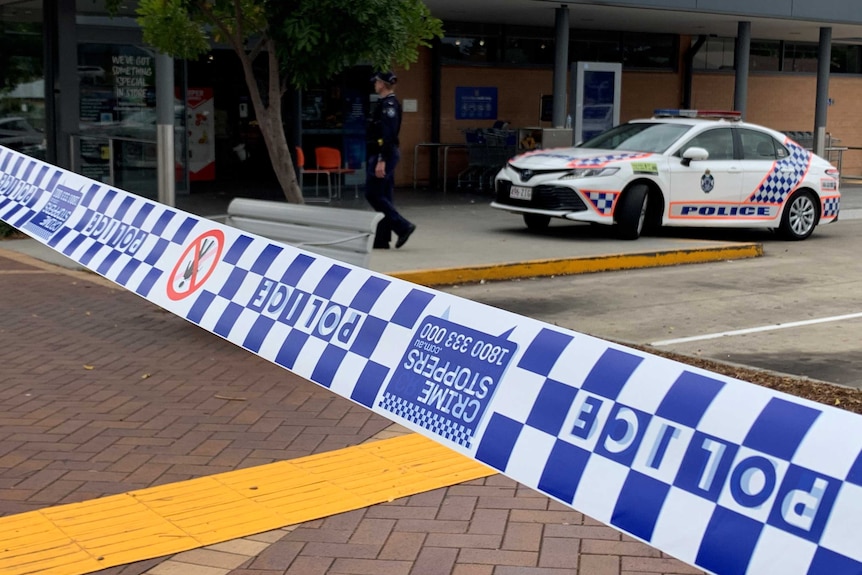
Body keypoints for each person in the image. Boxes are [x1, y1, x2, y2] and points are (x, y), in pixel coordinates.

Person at [366, 70, 416, 249]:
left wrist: (381, 159)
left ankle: (402, 226)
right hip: (384, 153)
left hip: (384, 153)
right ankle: (382, 239)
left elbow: (388, 135)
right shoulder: (385, 104)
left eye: (376, 82)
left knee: (373, 194)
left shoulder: (389, 105)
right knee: (384, 195)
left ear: (382, 84)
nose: (374, 84)